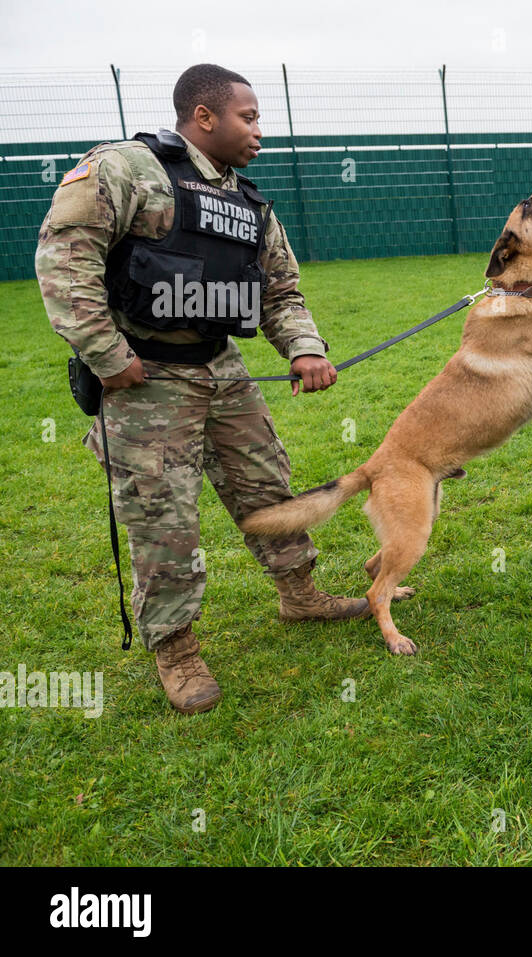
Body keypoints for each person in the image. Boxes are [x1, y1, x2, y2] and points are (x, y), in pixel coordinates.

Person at [35, 63, 369, 716]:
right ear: (205, 116)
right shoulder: (127, 169)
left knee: (267, 481)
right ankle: (176, 646)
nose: (260, 132)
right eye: (250, 117)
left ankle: (298, 592)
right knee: (163, 513)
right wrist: (107, 356)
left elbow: (280, 288)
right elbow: (63, 259)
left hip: (222, 367)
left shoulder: (247, 203)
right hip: (143, 374)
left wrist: (302, 349)